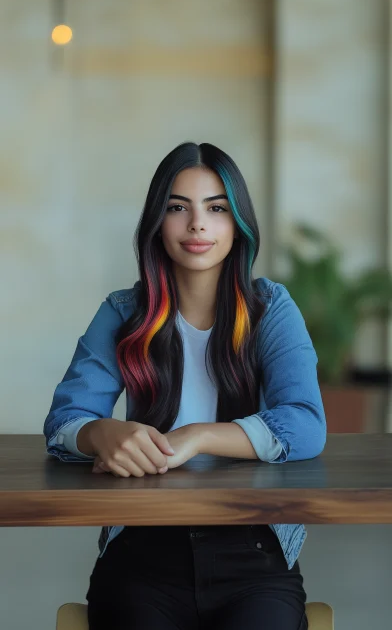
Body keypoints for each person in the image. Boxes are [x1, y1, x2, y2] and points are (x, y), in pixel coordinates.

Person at [44, 142, 326, 630]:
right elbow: (64, 421)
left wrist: (196, 435)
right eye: (178, 208)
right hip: (143, 551)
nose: (197, 224)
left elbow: (305, 423)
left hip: (254, 552)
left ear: (238, 223)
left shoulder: (271, 309)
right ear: (157, 222)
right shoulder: (122, 312)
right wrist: (99, 434)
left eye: (216, 208)